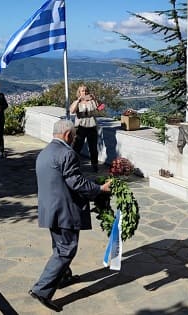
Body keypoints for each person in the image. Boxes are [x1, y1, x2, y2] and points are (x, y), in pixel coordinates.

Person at [28, 119, 111, 312]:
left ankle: (64, 276)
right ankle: (41, 290)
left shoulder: (44, 152)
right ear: (67, 135)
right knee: (66, 250)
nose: (75, 139)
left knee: (59, 244)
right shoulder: (67, 153)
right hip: (64, 210)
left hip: (49, 209)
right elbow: (77, 183)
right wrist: (100, 188)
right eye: (74, 135)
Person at [70, 85, 101, 172]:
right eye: (83, 91)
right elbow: (72, 111)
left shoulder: (92, 102)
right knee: (77, 147)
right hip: (81, 128)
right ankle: (73, 165)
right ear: (79, 92)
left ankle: (95, 165)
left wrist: (95, 99)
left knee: (93, 148)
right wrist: (78, 100)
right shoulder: (77, 102)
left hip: (92, 127)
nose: (85, 92)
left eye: (86, 91)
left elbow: (101, 108)